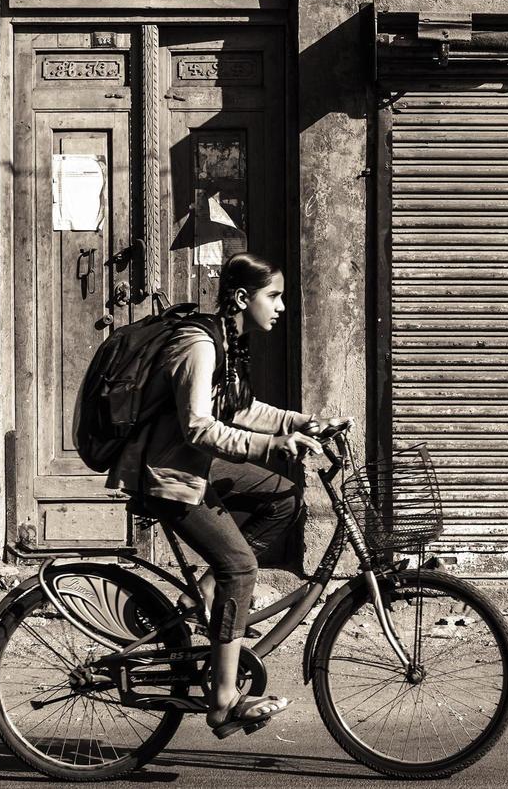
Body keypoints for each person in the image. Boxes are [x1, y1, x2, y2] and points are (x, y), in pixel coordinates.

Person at [107, 252, 345, 739]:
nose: (280, 307)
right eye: (273, 296)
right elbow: (198, 427)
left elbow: (241, 409)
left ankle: (209, 601)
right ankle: (222, 700)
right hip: (168, 476)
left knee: (281, 494)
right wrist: (270, 444)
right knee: (242, 567)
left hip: (193, 464)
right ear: (242, 298)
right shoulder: (199, 346)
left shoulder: (226, 342)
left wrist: (301, 423)